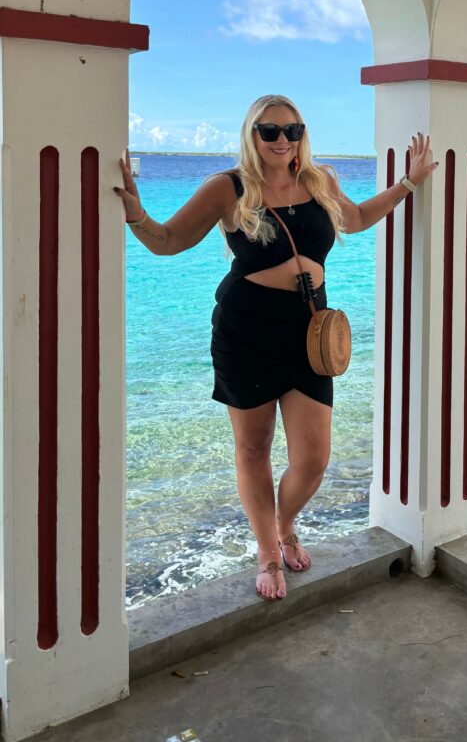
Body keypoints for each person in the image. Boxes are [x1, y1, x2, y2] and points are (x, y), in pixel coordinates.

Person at [114, 94, 438, 601]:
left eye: (293, 130)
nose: (283, 140)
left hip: (307, 331)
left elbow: (355, 219)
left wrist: (408, 184)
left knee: (313, 458)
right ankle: (267, 550)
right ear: (252, 135)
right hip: (246, 331)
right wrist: (136, 214)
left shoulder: (320, 180)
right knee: (254, 448)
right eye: (270, 131)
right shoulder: (228, 188)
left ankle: (283, 522)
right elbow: (169, 241)